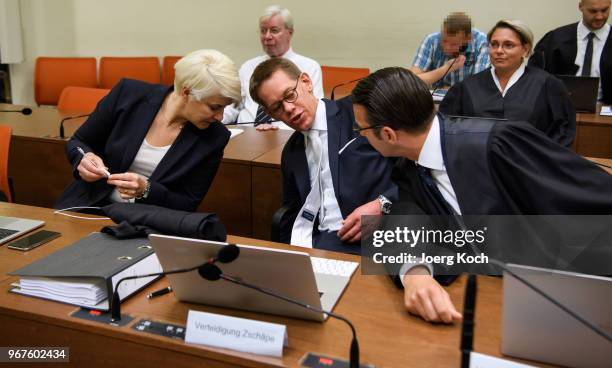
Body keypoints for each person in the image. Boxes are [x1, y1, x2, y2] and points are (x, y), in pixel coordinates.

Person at [351, 67, 612, 324]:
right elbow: (406, 220)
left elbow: (591, 199)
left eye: (361, 129)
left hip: (564, 296)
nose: (361, 136)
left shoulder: (498, 143)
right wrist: (414, 273)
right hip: (486, 297)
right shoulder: (408, 167)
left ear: (388, 134)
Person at [55, 49, 241, 212]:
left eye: (224, 107)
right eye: (214, 107)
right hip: (89, 206)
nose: (221, 117)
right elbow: (78, 142)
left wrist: (147, 190)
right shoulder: (127, 94)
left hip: (147, 224)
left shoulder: (215, 137)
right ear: (186, 92)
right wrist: (84, 159)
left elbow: (187, 203)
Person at [249, 58, 397, 254]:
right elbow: (292, 212)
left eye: (290, 95)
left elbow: (416, 174)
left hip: (375, 237)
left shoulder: (358, 114)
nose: (288, 108)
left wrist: (383, 205)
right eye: (277, 107)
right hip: (318, 242)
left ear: (306, 82)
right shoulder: (292, 152)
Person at [440, 20, 576, 147]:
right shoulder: (466, 87)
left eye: (508, 45)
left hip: (531, 164)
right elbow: (447, 129)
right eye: (494, 44)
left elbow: (562, 133)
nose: (499, 51)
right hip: (478, 163)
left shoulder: (548, 85)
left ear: (525, 49)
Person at [223, 5, 323, 130]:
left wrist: (279, 129)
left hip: (287, 134)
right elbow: (234, 107)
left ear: (290, 33)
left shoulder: (309, 66)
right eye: (263, 30)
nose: (267, 36)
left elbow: (315, 110)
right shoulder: (248, 67)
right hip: (246, 134)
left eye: (274, 30)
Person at [529, 0, 611, 104]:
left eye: (604, 10)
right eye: (593, 11)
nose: (599, 17)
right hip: (560, 107)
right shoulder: (555, 39)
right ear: (581, 7)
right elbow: (535, 75)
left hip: (606, 110)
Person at [409, 12, 490, 88]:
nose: (447, 47)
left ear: (468, 38)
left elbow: (478, 86)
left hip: (468, 101)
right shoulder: (431, 40)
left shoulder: (482, 43)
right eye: (444, 40)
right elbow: (411, 81)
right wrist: (446, 68)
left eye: (453, 44)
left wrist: (451, 90)